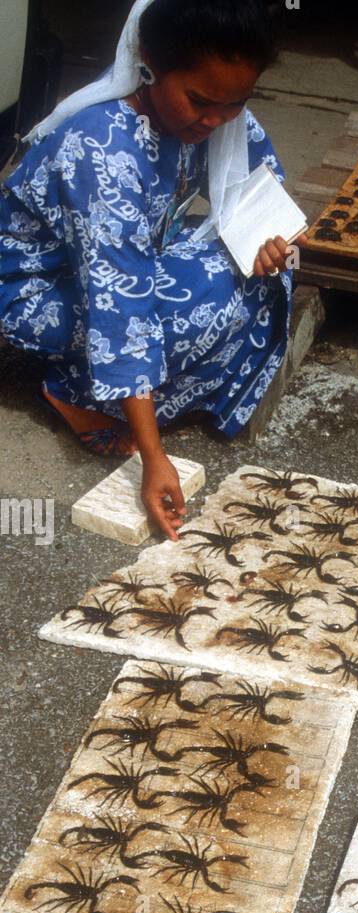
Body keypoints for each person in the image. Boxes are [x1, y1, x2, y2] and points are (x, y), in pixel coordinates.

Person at [0, 0, 297, 540]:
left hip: (125, 265)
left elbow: (270, 199)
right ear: (149, 63)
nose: (214, 121)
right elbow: (119, 298)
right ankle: (75, 393)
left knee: (251, 277)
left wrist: (273, 246)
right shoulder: (100, 146)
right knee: (196, 300)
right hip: (36, 293)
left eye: (234, 104)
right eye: (200, 102)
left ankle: (119, 391)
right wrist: (153, 458)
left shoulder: (221, 116)